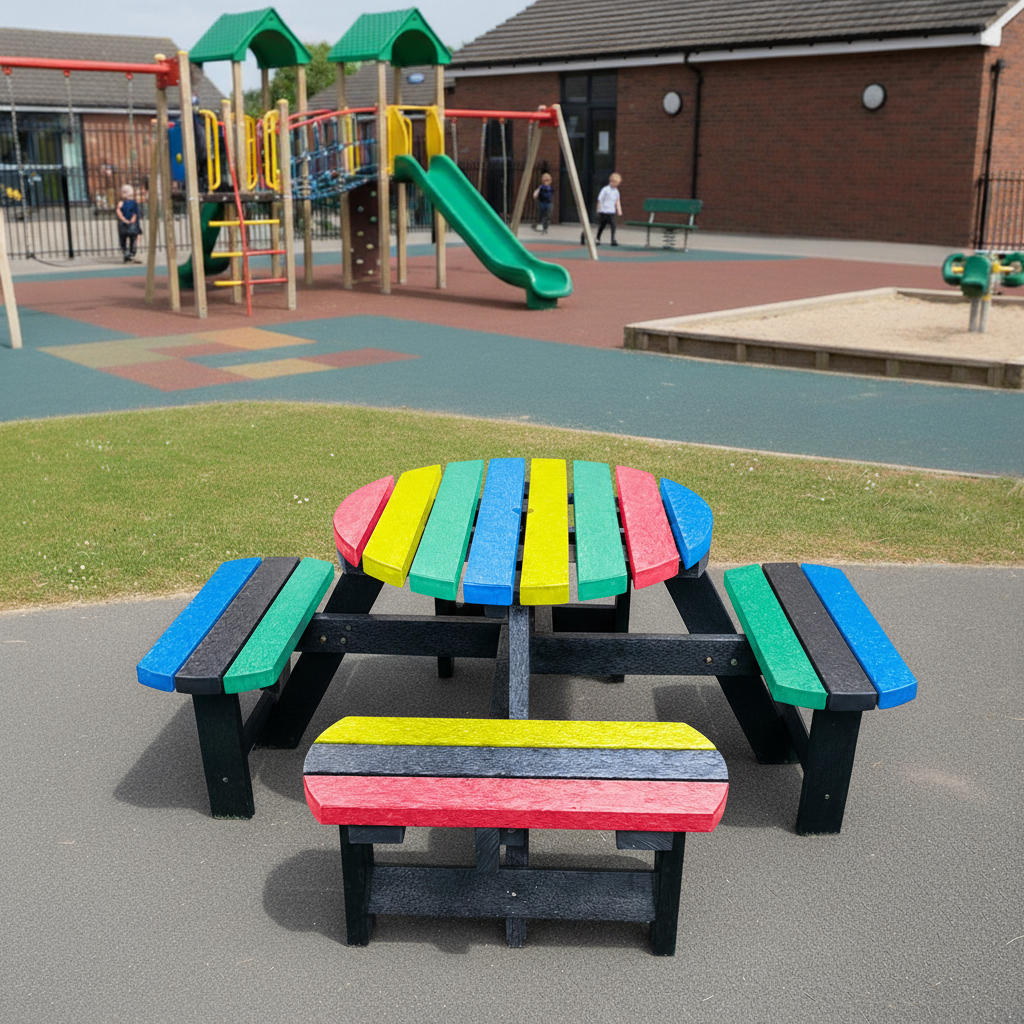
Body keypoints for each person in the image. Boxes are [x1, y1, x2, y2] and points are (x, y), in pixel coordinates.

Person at [595, 172, 622, 246]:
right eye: (614, 182)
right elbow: (600, 199)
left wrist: (619, 209)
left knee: (613, 225)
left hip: (611, 211)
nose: (615, 184)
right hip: (603, 211)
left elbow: (617, 201)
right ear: (610, 181)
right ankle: (597, 238)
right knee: (602, 225)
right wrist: (598, 209)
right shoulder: (605, 189)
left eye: (617, 183)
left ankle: (613, 239)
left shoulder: (616, 191)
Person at [116, 184, 141, 263]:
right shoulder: (133, 203)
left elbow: (118, 211)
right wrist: (130, 220)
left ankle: (127, 253)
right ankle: (131, 252)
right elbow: (135, 213)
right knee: (133, 238)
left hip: (125, 223)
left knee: (124, 238)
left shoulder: (121, 203)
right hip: (131, 223)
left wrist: (123, 219)